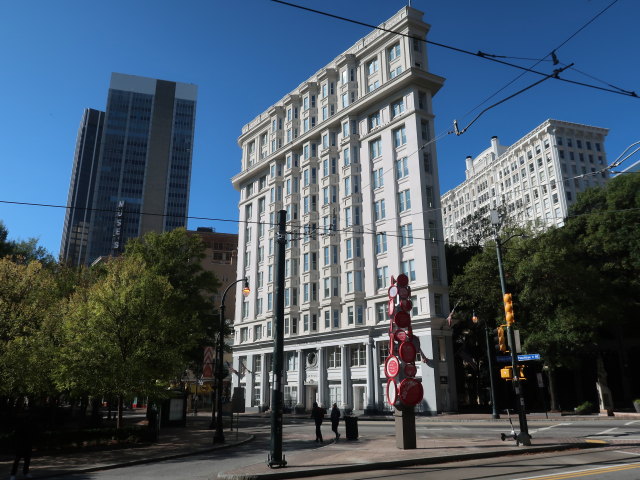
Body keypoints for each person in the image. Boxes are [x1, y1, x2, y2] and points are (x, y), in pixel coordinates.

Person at [9, 414, 35, 480]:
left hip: (27, 445)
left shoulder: (31, 425)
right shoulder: (20, 425)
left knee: (26, 460)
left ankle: (25, 473)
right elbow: (16, 435)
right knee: (18, 460)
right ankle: (13, 474)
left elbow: (33, 435)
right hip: (21, 445)